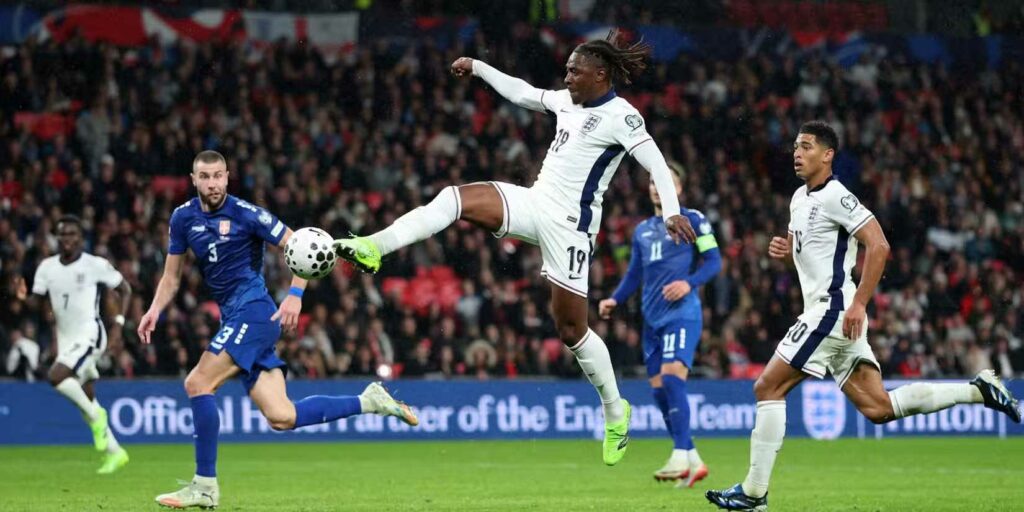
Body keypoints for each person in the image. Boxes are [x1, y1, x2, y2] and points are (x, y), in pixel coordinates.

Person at [333, 30, 697, 466]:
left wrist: (671, 211)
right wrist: (478, 66)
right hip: (534, 202)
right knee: (454, 199)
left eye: (574, 71)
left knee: (571, 331)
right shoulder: (566, 102)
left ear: (600, 75)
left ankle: (616, 410)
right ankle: (374, 245)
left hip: (571, 228)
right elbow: (523, 93)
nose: (567, 78)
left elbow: (656, 163)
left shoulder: (622, 116)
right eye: (566, 71)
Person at [706, 121, 1021, 511]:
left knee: (767, 388)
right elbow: (816, 259)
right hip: (831, 313)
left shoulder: (837, 195)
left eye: (806, 146)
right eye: (795, 146)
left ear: (828, 155)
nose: (797, 153)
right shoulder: (798, 198)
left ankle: (753, 494)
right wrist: (789, 255)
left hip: (833, 311)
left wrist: (859, 304)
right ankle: (977, 391)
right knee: (878, 408)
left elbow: (879, 245)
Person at [138, 151, 419, 509]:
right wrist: (154, 309)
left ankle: (204, 486)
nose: (212, 183)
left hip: (254, 313)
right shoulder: (182, 218)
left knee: (198, 383)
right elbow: (172, 276)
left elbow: (305, 246)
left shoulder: (247, 214)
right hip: (235, 318)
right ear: (193, 180)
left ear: (228, 176)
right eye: (204, 177)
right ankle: (370, 401)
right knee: (282, 416)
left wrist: (295, 295)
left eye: (218, 176)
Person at [599, 165, 720, 487]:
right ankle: (692, 459)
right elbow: (634, 274)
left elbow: (714, 261)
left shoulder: (693, 219)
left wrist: (689, 283)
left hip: (681, 314)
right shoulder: (643, 230)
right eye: (653, 181)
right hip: (651, 320)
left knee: (671, 379)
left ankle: (678, 455)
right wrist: (615, 299)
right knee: (658, 391)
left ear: (678, 188)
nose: (656, 186)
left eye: (665, 181)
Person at [15, 215, 131, 474]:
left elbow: (125, 289)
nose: (67, 238)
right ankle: (115, 452)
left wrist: (118, 324)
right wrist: (23, 298)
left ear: (80, 238)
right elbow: (37, 302)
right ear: (57, 238)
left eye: (72, 234)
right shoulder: (47, 267)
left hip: (90, 334)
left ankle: (98, 418)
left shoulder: (94, 264)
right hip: (66, 338)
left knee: (56, 376)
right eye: (62, 234)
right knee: (85, 397)